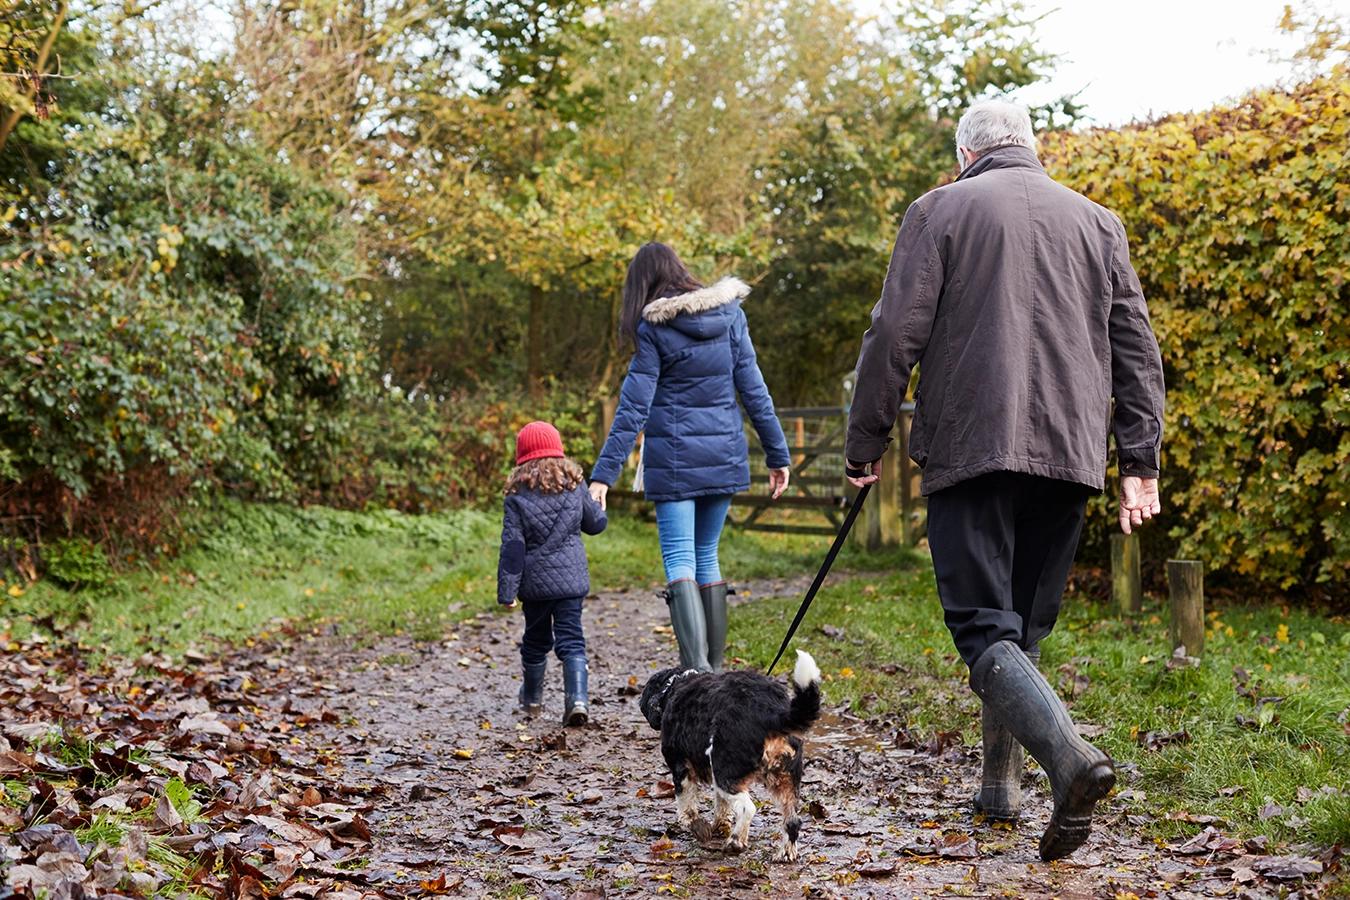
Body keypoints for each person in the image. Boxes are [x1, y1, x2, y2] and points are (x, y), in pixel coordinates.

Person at [843, 99, 1165, 861]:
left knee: (985, 628)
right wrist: (1139, 462)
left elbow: (894, 333)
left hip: (972, 445)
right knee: (1023, 627)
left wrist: (865, 444)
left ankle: (1069, 761)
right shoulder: (1098, 221)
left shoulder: (940, 209)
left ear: (965, 154)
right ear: (1031, 146)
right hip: (1069, 453)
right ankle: (1000, 790)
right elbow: (1137, 349)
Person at [589, 242, 792, 672]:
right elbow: (754, 389)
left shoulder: (654, 328)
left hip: (676, 460)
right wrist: (778, 454)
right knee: (708, 555)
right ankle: (714, 673)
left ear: (642, 284)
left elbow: (633, 407)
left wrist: (603, 475)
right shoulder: (731, 316)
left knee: (680, 558)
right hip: (723, 454)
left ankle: (696, 676)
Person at [498, 421, 608, 726]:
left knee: (535, 640)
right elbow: (595, 524)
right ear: (558, 452)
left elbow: (513, 547)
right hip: (571, 583)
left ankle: (531, 700)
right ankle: (577, 700)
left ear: (522, 457)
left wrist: (507, 592)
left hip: (534, 587)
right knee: (572, 640)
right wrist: (599, 506)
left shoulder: (517, 495)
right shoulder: (575, 485)